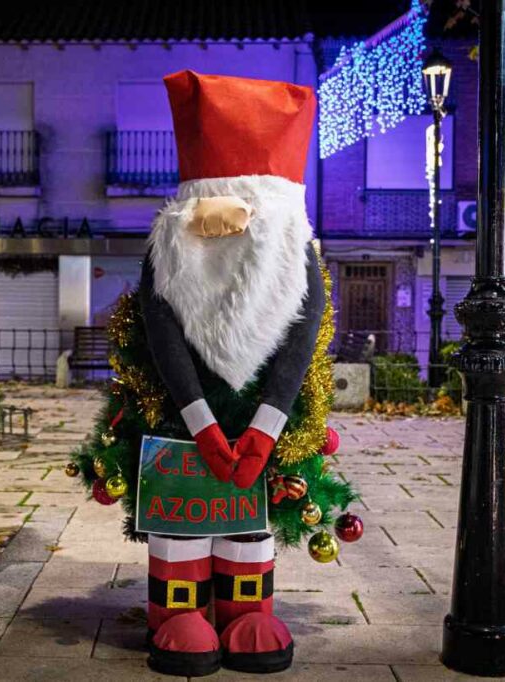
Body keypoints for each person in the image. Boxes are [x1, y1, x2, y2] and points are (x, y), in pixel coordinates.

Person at [138, 70, 324, 676]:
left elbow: (299, 340)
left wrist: (266, 429)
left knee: (253, 516)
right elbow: (162, 333)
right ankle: (176, 613)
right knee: (183, 512)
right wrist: (201, 423)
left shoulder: (298, 255)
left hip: (260, 413)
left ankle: (247, 611)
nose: (233, 225)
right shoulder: (169, 248)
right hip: (179, 411)